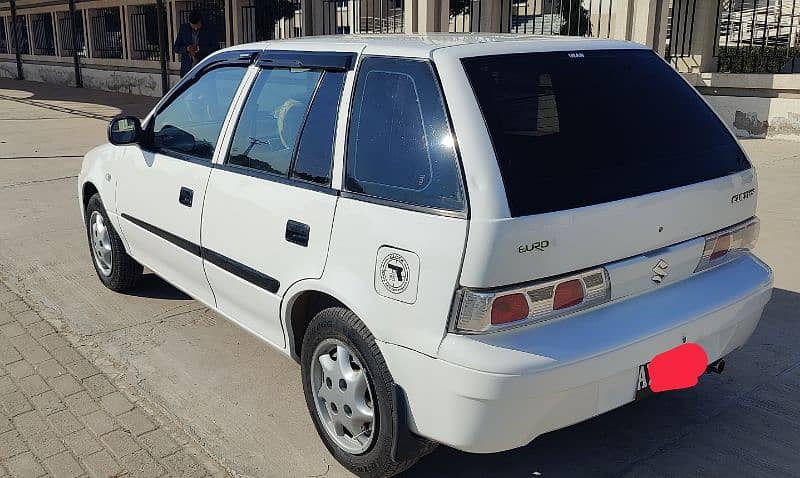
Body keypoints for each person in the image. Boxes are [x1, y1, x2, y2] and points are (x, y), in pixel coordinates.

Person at [174, 9, 218, 77]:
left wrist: (199, 48)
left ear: (200, 21)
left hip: (204, 68)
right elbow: (176, 48)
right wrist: (187, 48)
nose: (196, 28)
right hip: (187, 70)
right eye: (193, 26)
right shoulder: (184, 29)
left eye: (197, 25)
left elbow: (215, 47)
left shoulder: (209, 29)